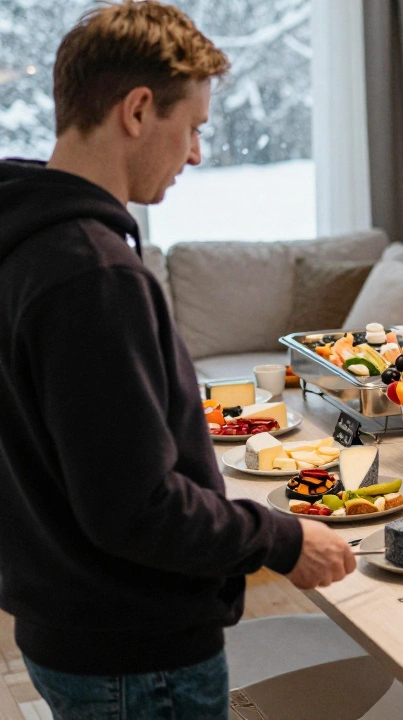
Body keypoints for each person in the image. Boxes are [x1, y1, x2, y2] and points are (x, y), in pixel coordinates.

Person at [0, 3, 355, 717]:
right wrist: (280, 539)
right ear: (136, 111)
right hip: (136, 650)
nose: (196, 153)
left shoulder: (25, 237)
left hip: (61, 618)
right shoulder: (94, 273)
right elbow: (137, 509)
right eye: (192, 127)